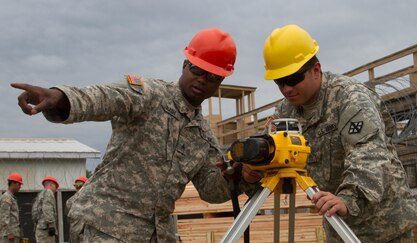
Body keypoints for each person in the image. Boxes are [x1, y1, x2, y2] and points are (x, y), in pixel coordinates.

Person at [11, 27, 257, 242]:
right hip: (105, 223)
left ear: (220, 82)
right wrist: (59, 98)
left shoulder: (203, 137)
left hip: (156, 233)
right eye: (197, 69)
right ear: (185, 64)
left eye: (213, 77)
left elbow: (210, 190)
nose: (203, 80)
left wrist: (244, 175)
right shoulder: (149, 94)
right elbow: (102, 97)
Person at [258, 24, 417, 242]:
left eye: (293, 79)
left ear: (316, 70)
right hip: (339, 226)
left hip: (384, 227)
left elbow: (369, 154)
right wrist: (249, 169)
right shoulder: (285, 112)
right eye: (280, 82)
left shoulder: (350, 98)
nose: (286, 89)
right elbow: (267, 150)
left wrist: (349, 198)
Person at [32, 176, 59, 243]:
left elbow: (35, 213)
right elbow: (48, 209)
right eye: (55, 186)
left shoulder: (40, 195)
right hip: (46, 230)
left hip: (40, 229)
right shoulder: (48, 192)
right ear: (51, 184)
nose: (56, 189)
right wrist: (51, 226)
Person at [0, 173, 23, 243]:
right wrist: (9, 232)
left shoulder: (11, 197)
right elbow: (4, 215)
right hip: (9, 236)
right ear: (13, 183)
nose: (20, 187)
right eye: (19, 184)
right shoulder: (7, 197)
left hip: (13, 234)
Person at [65, 176, 87, 243]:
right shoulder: (90, 200)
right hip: (85, 236)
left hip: (73, 235)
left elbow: (68, 219)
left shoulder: (69, 201)